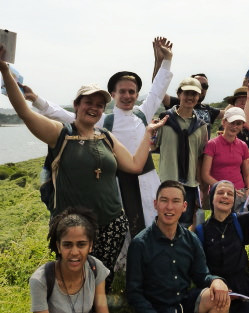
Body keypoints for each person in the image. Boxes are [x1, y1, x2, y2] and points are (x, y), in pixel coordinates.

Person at [0, 44, 167, 291]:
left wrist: (148, 135)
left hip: (112, 225)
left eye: (100, 104)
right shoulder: (61, 134)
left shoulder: (107, 137)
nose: (94, 107)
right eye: (88, 102)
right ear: (76, 105)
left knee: (103, 283)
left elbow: (134, 165)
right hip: (74, 229)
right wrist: (4, 70)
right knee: (73, 284)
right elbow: (24, 111)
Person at [24, 38, 173, 236]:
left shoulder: (142, 114)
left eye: (132, 91)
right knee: (125, 227)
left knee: (151, 218)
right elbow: (64, 115)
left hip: (147, 178)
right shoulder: (104, 121)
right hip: (117, 181)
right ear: (113, 94)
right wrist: (36, 99)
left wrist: (167, 60)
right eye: (122, 91)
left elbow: (157, 90)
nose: (127, 96)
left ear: (137, 94)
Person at [126, 180, 231, 313]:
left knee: (220, 300)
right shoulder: (140, 244)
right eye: (164, 200)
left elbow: (202, 275)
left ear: (184, 206)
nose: (169, 207)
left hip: (184, 304)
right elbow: (134, 293)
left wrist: (216, 281)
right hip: (155, 309)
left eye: (176, 201)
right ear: (155, 204)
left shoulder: (191, 239)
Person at [196, 148, 249, 313]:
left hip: (242, 285)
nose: (225, 196)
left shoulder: (240, 221)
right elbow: (198, 267)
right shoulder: (200, 231)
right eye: (220, 192)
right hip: (216, 286)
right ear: (212, 199)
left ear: (234, 200)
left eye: (229, 194)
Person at [30, 207, 110, 313]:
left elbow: (102, 309)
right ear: (58, 246)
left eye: (81, 244)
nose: (74, 252)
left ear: (90, 246)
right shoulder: (41, 280)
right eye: (67, 245)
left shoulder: (95, 268)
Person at [156, 77, 208, 228]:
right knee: (164, 222)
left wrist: (202, 187)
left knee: (185, 224)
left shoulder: (201, 126)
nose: (190, 97)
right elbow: (153, 145)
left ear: (199, 97)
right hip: (167, 180)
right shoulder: (165, 119)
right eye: (186, 93)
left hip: (190, 184)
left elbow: (200, 156)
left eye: (194, 94)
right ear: (179, 94)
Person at [202, 107, 249, 211]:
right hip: (219, 193)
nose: (234, 127)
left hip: (239, 193)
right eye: (231, 122)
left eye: (238, 123)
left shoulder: (243, 145)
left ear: (242, 125)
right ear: (224, 122)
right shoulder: (212, 144)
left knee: (240, 225)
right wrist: (226, 188)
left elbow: (247, 174)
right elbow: (205, 175)